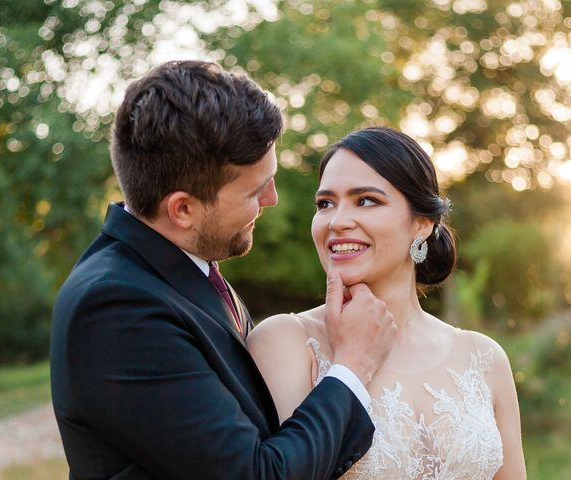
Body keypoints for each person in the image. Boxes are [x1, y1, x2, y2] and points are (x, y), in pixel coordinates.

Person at [50, 60, 398, 479]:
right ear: (183, 209)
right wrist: (354, 363)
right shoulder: (115, 307)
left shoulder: (184, 271)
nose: (271, 199)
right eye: (255, 189)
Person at [247, 127, 527, 479]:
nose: (337, 221)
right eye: (325, 204)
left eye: (366, 200)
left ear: (422, 224)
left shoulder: (484, 358)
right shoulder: (285, 341)